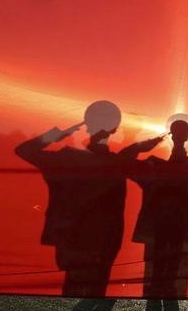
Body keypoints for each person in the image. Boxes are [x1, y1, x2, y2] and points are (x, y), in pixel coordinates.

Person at [15, 100, 160, 297]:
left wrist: (57, 134)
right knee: (93, 296)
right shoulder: (118, 163)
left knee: (73, 290)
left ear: (87, 125)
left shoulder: (70, 159)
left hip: (78, 239)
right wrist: (137, 148)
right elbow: (154, 179)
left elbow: (25, 151)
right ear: (115, 128)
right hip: (100, 240)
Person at [129, 116, 188, 298]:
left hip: (178, 228)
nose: (179, 137)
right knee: (161, 270)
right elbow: (124, 164)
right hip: (163, 228)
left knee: (171, 272)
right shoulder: (157, 167)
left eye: (181, 133)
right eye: (177, 133)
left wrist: (141, 147)